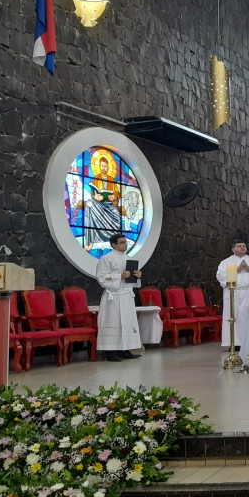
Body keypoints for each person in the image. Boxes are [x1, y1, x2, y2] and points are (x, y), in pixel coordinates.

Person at [95, 234, 142, 362]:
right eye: (122, 242)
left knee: (126, 323)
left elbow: (131, 280)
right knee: (113, 322)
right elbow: (101, 277)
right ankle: (110, 352)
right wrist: (119, 276)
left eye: (125, 242)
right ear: (114, 245)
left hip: (126, 295)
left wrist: (137, 276)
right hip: (113, 296)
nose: (125, 245)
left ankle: (125, 349)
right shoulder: (106, 259)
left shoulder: (128, 258)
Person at [216, 240, 249, 351]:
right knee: (233, 317)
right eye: (239, 246)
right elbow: (220, 276)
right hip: (233, 292)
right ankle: (235, 343)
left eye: (244, 246)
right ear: (233, 249)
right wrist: (236, 270)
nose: (242, 248)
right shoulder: (226, 262)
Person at [84, 151, 121, 251]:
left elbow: (117, 193)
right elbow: (93, 192)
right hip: (99, 204)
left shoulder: (111, 179)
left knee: (118, 218)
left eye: (105, 166)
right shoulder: (96, 179)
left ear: (108, 167)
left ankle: (114, 242)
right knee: (89, 204)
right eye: (102, 166)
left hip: (109, 205)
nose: (103, 168)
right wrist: (96, 197)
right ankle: (89, 241)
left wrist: (114, 197)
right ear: (99, 166)